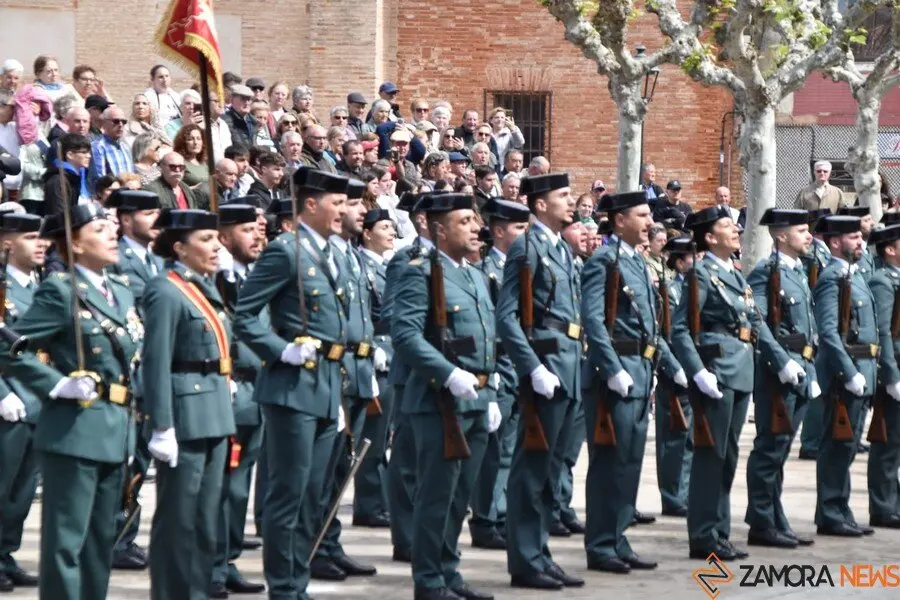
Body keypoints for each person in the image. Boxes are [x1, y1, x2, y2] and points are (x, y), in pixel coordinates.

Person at [0, 203, 139, 600]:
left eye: (112, 227)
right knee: (67, 541)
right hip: (74, 429)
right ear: (74, 244)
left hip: (116, 426)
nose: (113, 234)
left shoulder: (121, 290)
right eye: (100, 229)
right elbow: (10, 348)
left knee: (101, 540)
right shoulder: (60, 290)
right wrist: (56, 384)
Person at [233, 168, 350, 600]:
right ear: (311, 204)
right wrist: (280, 350)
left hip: (326, 386)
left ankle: (297, 583)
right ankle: (284, 588)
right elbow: (245, 314)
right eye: (336, 203)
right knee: (289, 494)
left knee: (313, 496)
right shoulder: (285, 251)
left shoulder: (331, 253)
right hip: (292, 389)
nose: (343, 211)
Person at [392, 192, 500, 600]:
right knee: (436, 496)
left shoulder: (474, 274)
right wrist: (448, 373)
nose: (476, 229)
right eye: (464, 222)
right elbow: (405, 335)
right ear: (439, 229)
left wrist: (493, 388)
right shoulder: (420, 272)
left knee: (459, 498)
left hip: (476, 399)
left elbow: (488, 336)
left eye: (475, 221)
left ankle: (448, 570)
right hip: (439, 401)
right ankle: (429, 580)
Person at [580, 191, 686, 573]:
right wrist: (612, 369)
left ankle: (618, 537)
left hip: (641, 372)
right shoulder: (604, 261)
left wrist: (671, 366)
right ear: (620, 220)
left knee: (629, 464)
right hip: (616, 375)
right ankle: (600, 544)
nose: (649, 222)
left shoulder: (638, 262)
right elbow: (593, 320)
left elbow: (650, 326)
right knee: (609, 464)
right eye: (641, 215)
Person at [142, 208, 237, 600]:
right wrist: (161, 425)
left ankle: (196, 591)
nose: (216, 247)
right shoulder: (166, 290)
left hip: (215, 411)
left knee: (204, 519)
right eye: (205, 240)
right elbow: (156, 361)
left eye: (216, 239)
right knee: (179, 519)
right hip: (186, 417)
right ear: (180, 248)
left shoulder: (204, 286)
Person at [496, 173, 584, 590]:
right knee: (531, 471)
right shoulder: (526, 248)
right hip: (545, 369)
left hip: (568, 368)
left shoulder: (561, 248)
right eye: (562, 195)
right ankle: (525, 560)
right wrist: (532, 367)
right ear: (540, 205)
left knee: (550, 471)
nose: (571, 201)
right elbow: (507, 317)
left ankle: (541, 552)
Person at [671, 205, 759, 561]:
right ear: (709, 237)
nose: (736, 229)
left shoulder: (734, 274)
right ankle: (703, 534)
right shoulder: (701, 274)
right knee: (711, 456)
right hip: (717, 371)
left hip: (740, 370)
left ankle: (719, 532)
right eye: (727, 225)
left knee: (728, 457)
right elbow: (680, 329)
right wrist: (697, 371)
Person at [311, 180, 379, 581]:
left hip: (358, 370)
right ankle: (316, 547)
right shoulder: (324, 255)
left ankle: (330, 542)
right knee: (323, 470)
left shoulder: (351, 255)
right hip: (335, 370)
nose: (360, 211)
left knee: (341, 468)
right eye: (352, 203)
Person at [744, 209, 819, 548]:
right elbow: (758, 321)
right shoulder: (766, 272)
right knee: (769, 450)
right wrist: (782, 363)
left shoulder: (797, 270)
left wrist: (809, 368)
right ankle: (761, 523)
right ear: (782, 236)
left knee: (781, 450)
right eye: (802, 231)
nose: (809, 236)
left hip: (800, 369)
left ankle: (775, 518)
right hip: (779, 375)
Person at [209, 204, 267, 597]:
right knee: (220, 487)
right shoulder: (217, 277)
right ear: (225, 236)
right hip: (229, 387)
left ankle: (226, 559)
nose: (257, 236)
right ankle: (211, 566)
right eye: (247, 230)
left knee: (239, 488)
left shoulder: (253, 275)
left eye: (258, 229)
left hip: (255, 393)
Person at [105, 189, 162, 570]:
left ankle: (125, 534)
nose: (156, 219)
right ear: (126, 220)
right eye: (147, 213)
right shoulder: (119, 259)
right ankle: (115, 538)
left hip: (152, 373)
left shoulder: (154, 258)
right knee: (127, 462)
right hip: (133, 373)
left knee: (139, 463)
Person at [469, 199, 530, 551]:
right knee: (492, 450)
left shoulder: (524, 268)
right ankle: (485, 518)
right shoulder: (486, 271)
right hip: (501, 367)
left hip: (523, 368)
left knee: (511, 449)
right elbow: (488, 327)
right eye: (518, 228)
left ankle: (502, 513)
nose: (525, 234)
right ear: (498, 231)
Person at [811, 214, 877, 537]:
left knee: (848, 447)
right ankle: (829, 513)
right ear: (835, 242)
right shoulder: (831, 278)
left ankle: (841, 508)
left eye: (860, 237)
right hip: (843, 376)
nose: (861, 241)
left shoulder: (854, 274)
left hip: (862, 371)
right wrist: (849, 372)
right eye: (854, 237)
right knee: (837, 446)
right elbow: (828, 332)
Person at [383, 193, 434, 564]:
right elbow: (391, 314)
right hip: (412, 372)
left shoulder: (457, 261)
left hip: (444, 374)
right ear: (424, 221)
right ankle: (405, 538)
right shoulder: (406, 259)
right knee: (406, 459)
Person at [0, 213, 44, 592]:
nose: (40, 243)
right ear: (6, 244)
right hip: (9, 400)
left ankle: (6, 554)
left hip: (37, 402)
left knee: (23, 491)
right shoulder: (3, 287)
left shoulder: (42, 286)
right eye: (30, 236)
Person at [352, 209, 397, 528]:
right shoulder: (360, 265)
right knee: (374, 436)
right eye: (384, 227)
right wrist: (371, 347)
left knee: (386, 434)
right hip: (376, 356)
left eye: (393, 227)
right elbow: (361, 313)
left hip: (393, 356)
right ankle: (369, 504)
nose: (392, 232)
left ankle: (382, 500)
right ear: (367, 233)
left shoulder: (389, 266)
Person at [654, 236, 694, 518]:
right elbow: (658, 335)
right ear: (679, 263)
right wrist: (674, 367)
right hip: (675, 373)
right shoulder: (668, 291)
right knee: (673, 439)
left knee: (690, 438)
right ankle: (672, 496)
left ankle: (685, 492)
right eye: (692, 257)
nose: (697, 261)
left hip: (695, 372)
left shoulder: (696, 288)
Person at [866, 224, 900, 530]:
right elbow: (885, 332)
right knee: (888, 442)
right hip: (895, 369)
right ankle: (883, 507)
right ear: (890, 250)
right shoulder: (883, 281)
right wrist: (891, 375)